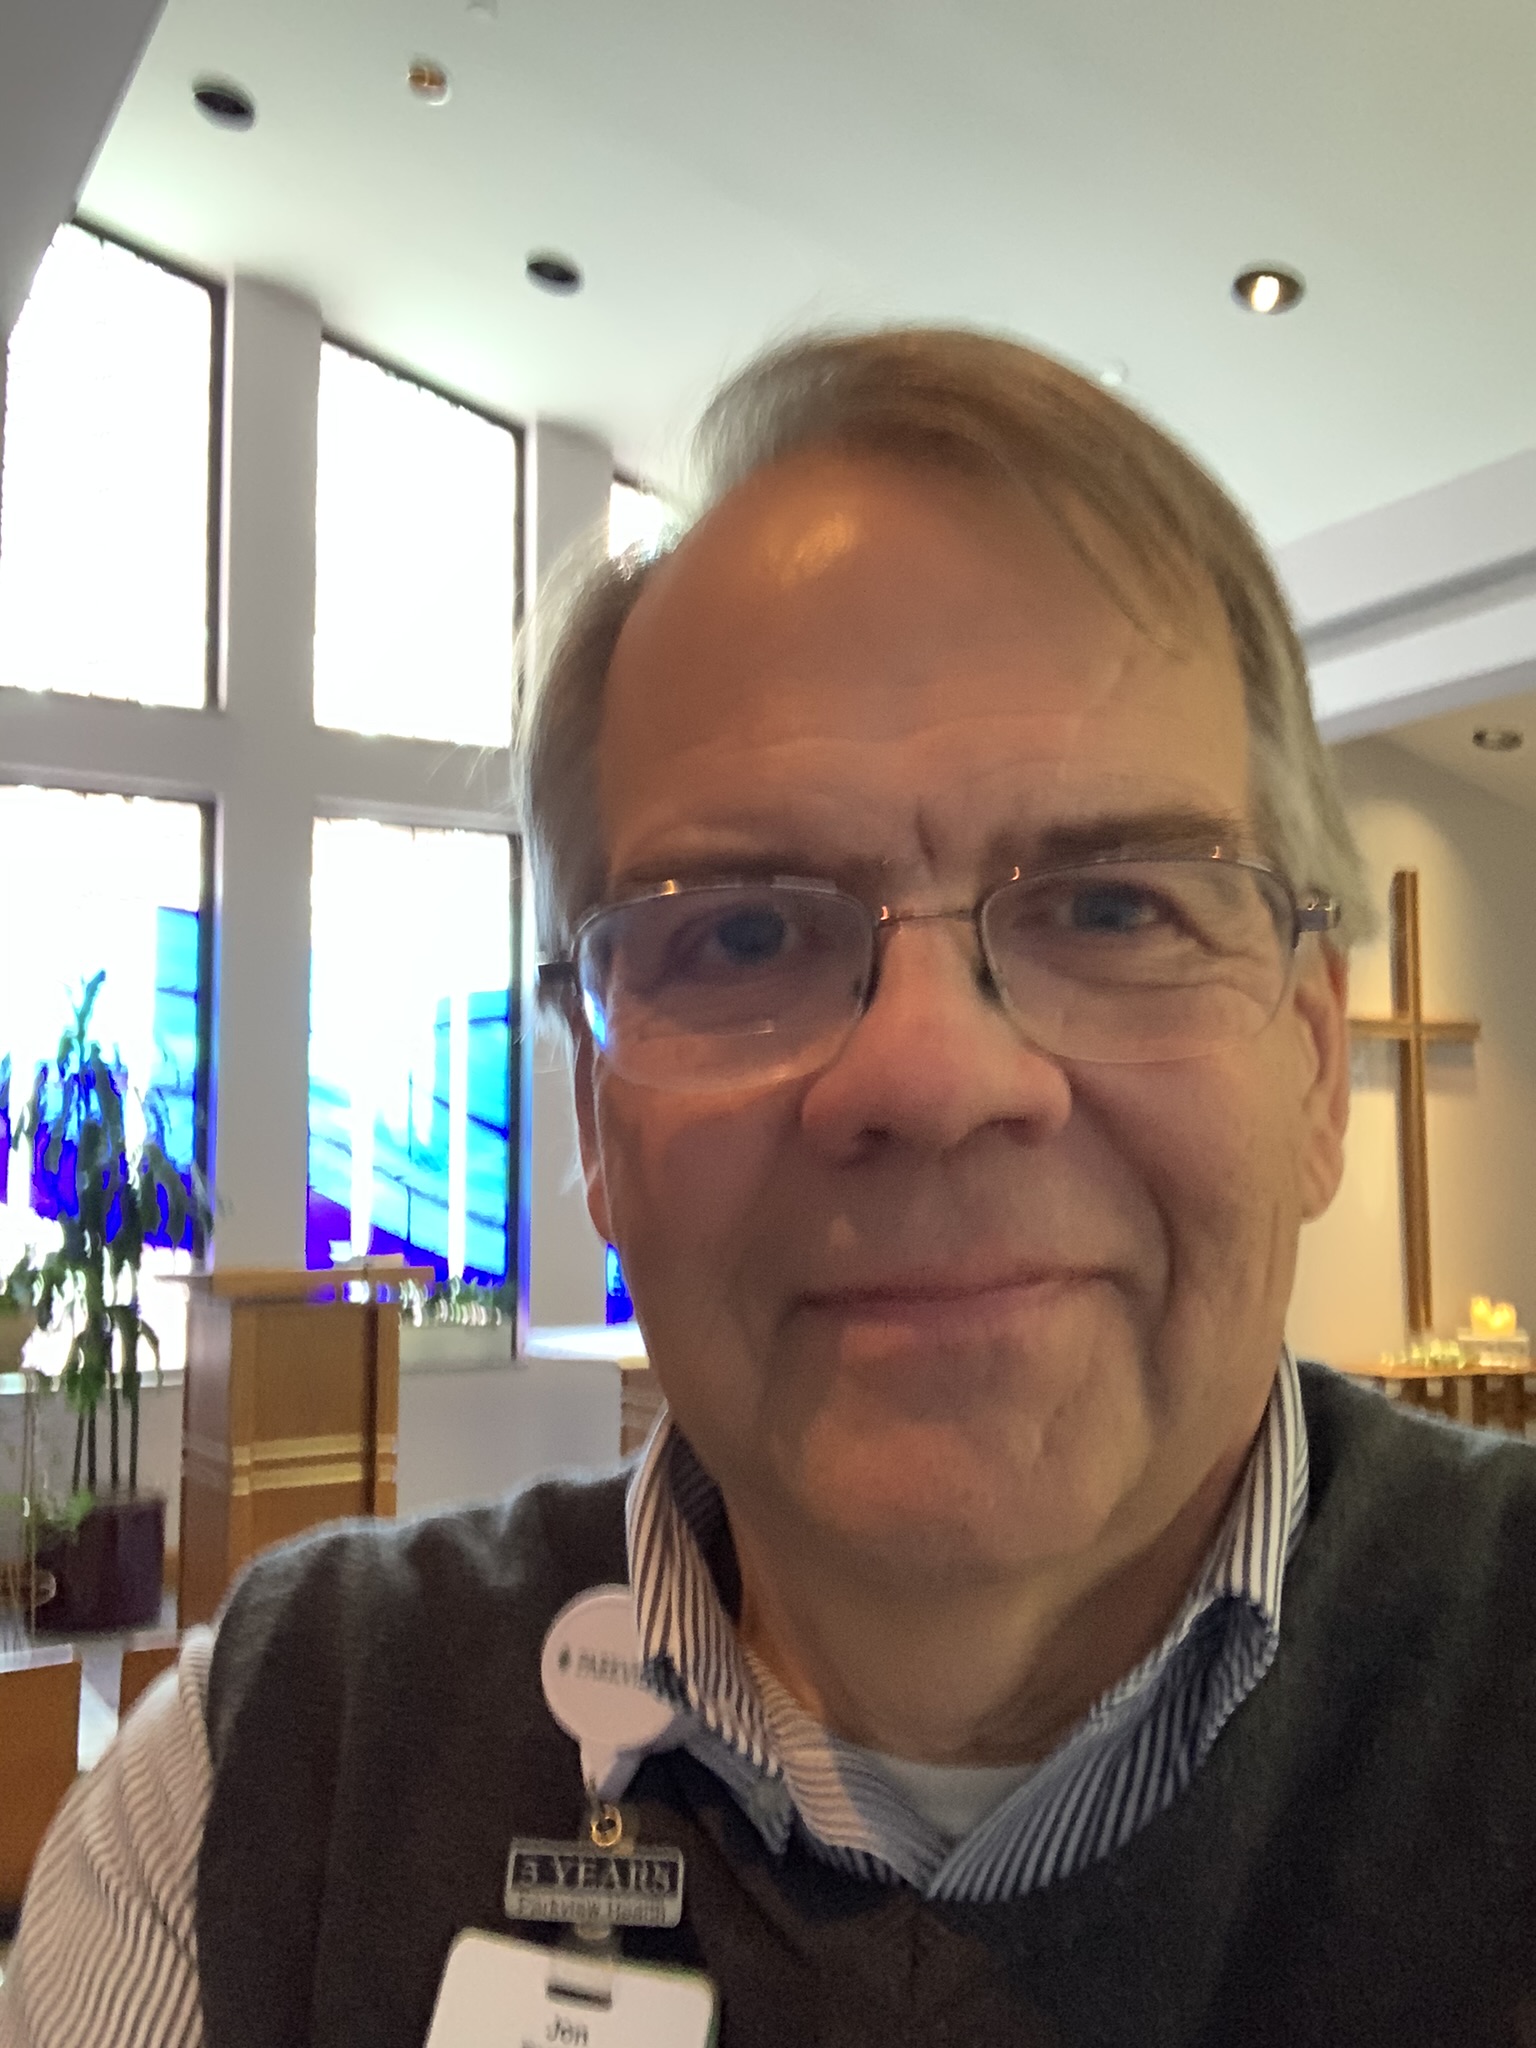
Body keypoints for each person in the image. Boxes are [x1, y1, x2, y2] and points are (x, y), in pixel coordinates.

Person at [4, 327, 1534, 2048]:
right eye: (739, 934)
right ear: (595, 1115)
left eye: (1114, 909)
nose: (929, 1080)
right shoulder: (262, 1787)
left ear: (1316, 1062)